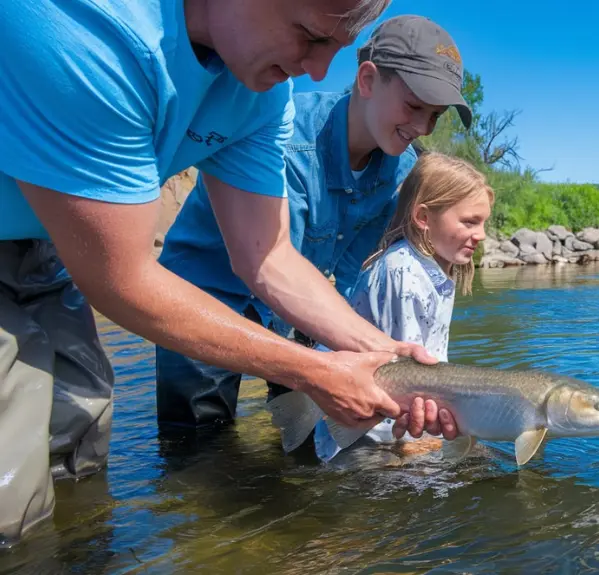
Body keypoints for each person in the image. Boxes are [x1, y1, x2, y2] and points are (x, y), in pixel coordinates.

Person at [0, 0, 444, 546]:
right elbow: (122, 278)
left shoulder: (264, 92)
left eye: (335, 46)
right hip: (123, 265)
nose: (321, 72)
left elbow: (269, 257)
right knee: (17, 496)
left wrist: (387, 359)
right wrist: (315, 373)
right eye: (308, 35)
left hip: (49, 244)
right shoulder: (87, 30)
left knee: (79, 439)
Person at [156, 15, 473, 444]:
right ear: (367, 80)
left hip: (304, 305)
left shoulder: (402, 174)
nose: (422, 127)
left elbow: (352, 282)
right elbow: (272, 264)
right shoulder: (285, 141)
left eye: (434, 116)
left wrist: (393, 373)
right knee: (200, 444)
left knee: (309, 443)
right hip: (206, 294)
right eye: (414, 107)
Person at [313, 152, 494, 463]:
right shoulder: (404, 272)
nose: (481, 234)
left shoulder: (439, 269)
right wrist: (418, 439)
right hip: (365, 428)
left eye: (483, 223)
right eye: (469, 222)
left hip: (398, 415)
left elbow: (432, 359)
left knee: (478, 459)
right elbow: (406, 377)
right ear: (423, 218)